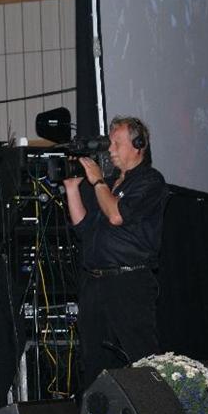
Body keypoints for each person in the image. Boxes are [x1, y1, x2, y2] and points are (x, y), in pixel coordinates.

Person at [62, 116, 168, 388]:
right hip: (95, 283)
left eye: (117, 143)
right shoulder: (109, 183)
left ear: (138, 145)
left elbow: (116, 215)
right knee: (94, 361)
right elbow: (84, 228)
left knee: (140, 357)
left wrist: (98, 182)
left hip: (128, 282)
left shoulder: (149, 181)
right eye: (110, 143)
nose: (110, 149)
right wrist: (72, 189)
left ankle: (153, 411)